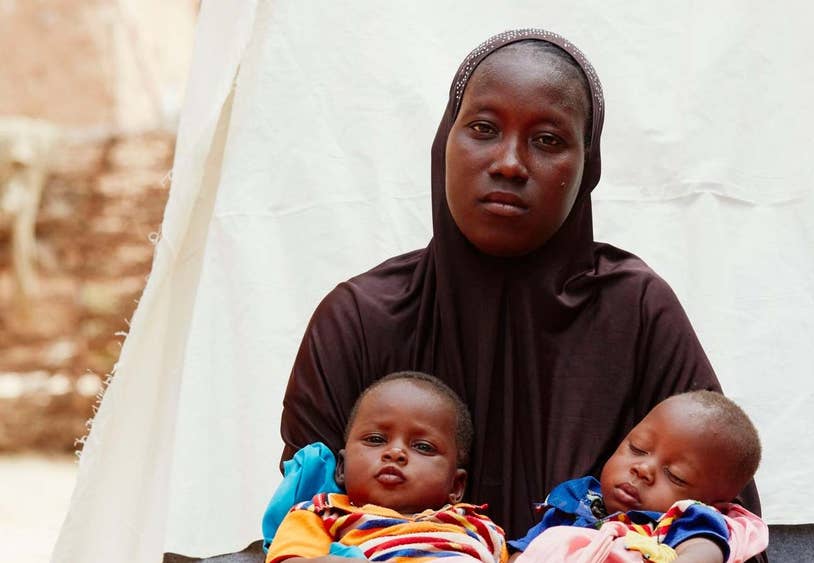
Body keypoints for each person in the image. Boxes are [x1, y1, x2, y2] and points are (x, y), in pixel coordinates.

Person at [279, 29, 766, 562]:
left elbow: (729, 525)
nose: (509, 163)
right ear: (445, 143)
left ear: (588, 167)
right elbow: (300, 519)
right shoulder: (356, 319)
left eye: (548, 140)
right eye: (484, 129)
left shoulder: (638, 311)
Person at [266, 372, 508, 562]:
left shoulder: (479, 526)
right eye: (376, 440)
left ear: (456, 486)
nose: (396, 452)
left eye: (423, 447)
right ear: (341, 467)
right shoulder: (322, 513)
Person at [509, 391, 767, 563]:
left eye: (675, 476)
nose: (642, 469)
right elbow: (525, 549)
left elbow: (704, 551)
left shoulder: (683, 521)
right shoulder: (575, 501)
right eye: (637, 449)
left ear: (712, 505)